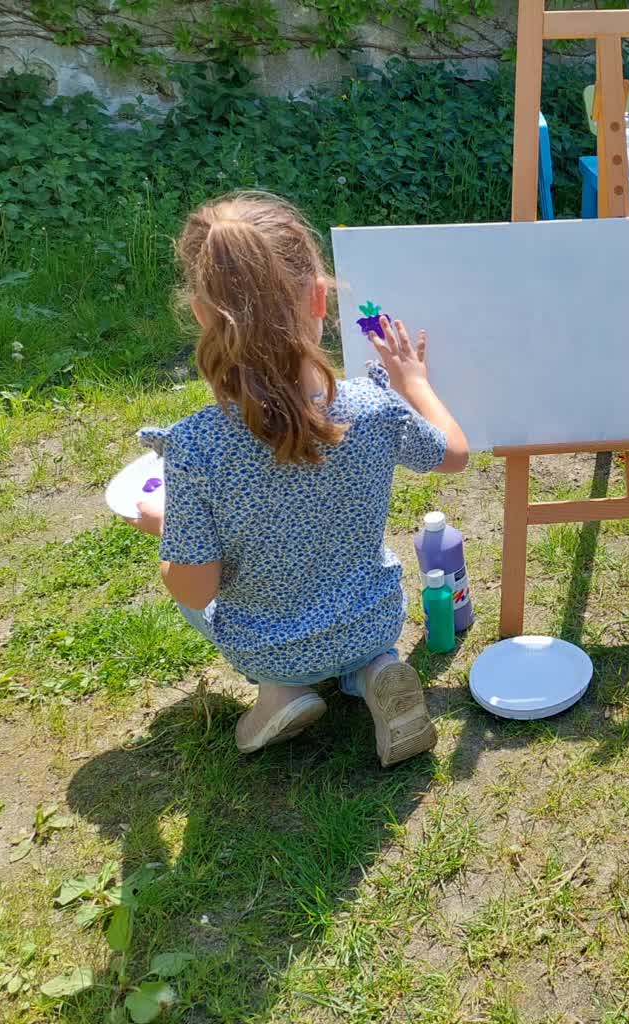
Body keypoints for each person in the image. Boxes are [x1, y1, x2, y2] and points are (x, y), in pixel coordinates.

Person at [128, 192, 469, 765]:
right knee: (359, 625)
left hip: (273, 648)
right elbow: (454, 454)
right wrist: (413, 382)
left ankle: (282, 694)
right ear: (319, 297)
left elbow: (195, 589)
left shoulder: (195, 446)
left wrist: (169, 529)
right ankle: (376, 669)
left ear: (202, 315)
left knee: (193, 589)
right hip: (374, 619)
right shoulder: (372, 406)